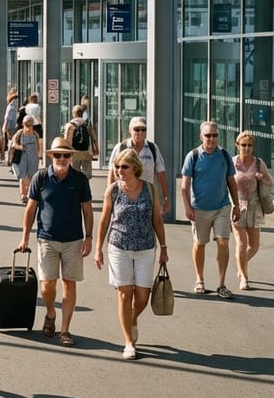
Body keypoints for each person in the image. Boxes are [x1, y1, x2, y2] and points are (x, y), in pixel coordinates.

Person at [18, 137, 94, 347]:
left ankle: (65, 330)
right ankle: (51, 312)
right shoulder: (41, 177)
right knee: (47, 285)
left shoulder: (79, 179)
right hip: (47, 239)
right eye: (58, 155)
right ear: (51, 156)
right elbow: (31, 208)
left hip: (73, 240)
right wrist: (24, 237)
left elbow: (87, 209)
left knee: (69, 284)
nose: (62, 159)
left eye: (66, 155)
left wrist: (89, 237)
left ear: (71, 157)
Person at [94, 149, 168, 360]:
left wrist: (164, 248)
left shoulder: (150, 189)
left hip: (145, 248)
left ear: (135, 168)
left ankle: (132, 318)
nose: (119, 171)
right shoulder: (113, 191)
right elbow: (105, 220)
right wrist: (98, 248)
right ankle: (129, 342)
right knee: (125, 293)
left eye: (124, 167)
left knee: (143, 296)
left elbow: (157, 221)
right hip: (119, 247)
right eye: (117, 167)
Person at [181, 120, 241, 299]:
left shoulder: (224, 155)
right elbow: (184, 186)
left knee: (223, 241)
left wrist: (236, 205)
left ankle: (221, 284)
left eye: (215, 135)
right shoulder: (193, 156)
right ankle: (199, 279)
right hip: (199, 208)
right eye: (208, 135)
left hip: (222, 206)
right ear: (201, 137)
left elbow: (231, 181)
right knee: (200, 243)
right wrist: (187, 207)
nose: (211, 139)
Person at [108, 117, 171, 219]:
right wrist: (111, 196)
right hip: (124, 194)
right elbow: (112, 173)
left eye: (143, 129)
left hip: (147, 195)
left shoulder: (153, 148)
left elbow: (161, 174)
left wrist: (165, 197)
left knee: (148, 226)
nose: (140, 132)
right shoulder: (121, 147)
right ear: (130, 131)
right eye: (136, 129)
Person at [232, 131, 272, 291]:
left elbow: (270, 181)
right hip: (237, 206)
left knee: (254, 245)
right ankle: (244, 277)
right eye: (243, 145)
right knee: (241, 243)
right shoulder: (232, 162)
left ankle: (241, 264)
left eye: (249, 145)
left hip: (255, 206)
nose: (246, 148)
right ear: (237, 146)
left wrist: (262, 177)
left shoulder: (258, 162)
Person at [9, 116, 41, 203]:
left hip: (33, 156)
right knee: (22, 175)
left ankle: (30, 194)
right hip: (22, 156)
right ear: (23, 124)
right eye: (26, 124)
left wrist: (39, 156)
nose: (28, 126)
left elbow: (38, 145)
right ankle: (23, 194)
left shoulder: (35, 134)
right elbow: (14, 143)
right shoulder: (20, 133)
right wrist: (19, 147)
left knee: (32, 176)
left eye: (30, 124)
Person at [63, 104, 98, 176]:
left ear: (74, 114)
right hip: (86, 151)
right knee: (86, 171)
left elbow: (66, 139)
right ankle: (86, 184)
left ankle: (76, 185)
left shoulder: (70, 124)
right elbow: (94, 137)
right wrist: (96, 149)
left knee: (75, 171)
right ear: (82, 114)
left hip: (74, 151)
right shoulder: (87, 123)